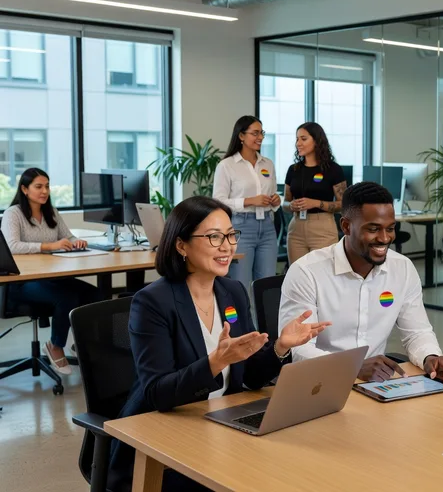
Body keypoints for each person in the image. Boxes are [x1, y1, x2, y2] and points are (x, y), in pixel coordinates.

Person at [109, 196, 329, 491]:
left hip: (223, 423)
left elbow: (249, 377)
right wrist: (216, 362)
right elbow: (157, 394)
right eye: (214, 237)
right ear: (181, 245)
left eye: (230, 235)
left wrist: (280, 347)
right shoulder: (152, 303)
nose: (227, 246)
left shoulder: (232, 292)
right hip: (166, 434)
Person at [279, 182, 443, 383]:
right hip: (318, 383)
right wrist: (351, 368)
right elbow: (299, 349)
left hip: (374, 384)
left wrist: (430, 356)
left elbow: (417, 332)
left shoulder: (403, 268)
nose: (384, 238)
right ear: (346, 226)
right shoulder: (307, 272)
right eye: (373, 229)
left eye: (390, 228)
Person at [0, 167, 101, 375]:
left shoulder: (51, 212)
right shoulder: (13, 214)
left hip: (52, 278)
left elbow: (68, 236)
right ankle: (55, 345)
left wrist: (76, 241)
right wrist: (49, 246)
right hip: (21, 283)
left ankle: (82, 343)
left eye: (47, 186)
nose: (44, 191)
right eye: (38, 186)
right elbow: (11, 246)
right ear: (25, 189)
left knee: (95, 294)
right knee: (66, 298)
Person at [213, 115, 281, 288]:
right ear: (241, 136)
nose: (260, 137)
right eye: (255, 133)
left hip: (267, 227)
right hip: (240, 228)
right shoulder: (227, 165)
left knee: (266, 285)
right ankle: (243, 317)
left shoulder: (268, 164)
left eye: (262, 133)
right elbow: (218, 201)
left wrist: (275, 200)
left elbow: (272, 195)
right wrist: (249, 201)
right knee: (240, 284)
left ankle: (263, 317)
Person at [283, 122, 347, 264]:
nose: (298, 143)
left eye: (303, 139)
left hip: (323, 228)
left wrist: (316, 203)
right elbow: (285, 203)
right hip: (296, 228)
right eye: (297, 139)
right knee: (297, 277)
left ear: (317, 141)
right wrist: (291, 205)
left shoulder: (333, 169)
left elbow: (343, 204)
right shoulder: (293, 170)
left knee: (323, 276)